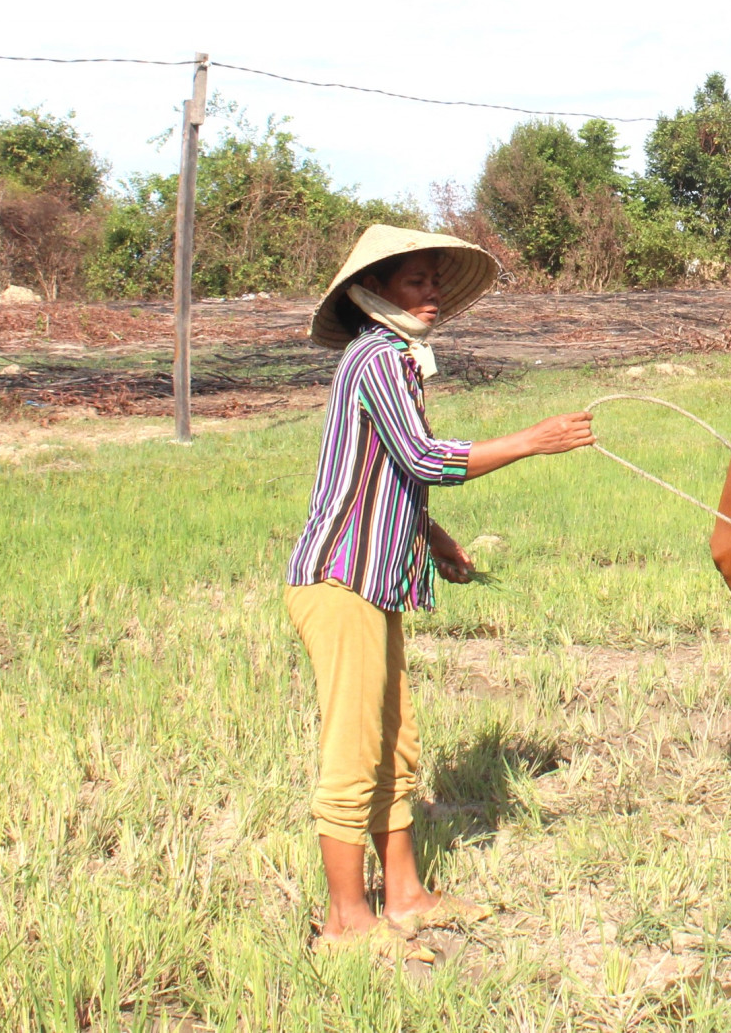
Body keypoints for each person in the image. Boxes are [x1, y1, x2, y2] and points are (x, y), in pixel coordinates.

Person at [284, 224, 595, 949]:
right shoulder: (378, 358)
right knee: (354, 745)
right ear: (374, 293)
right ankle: (344, 918)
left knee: (395, 740)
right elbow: (422, 457)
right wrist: (531, 440)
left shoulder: (396, 361)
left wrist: (432, 536)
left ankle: (405, 894)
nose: (430, 296)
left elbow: (391, 470)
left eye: (433, 283)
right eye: (415, 283)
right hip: (341, 578)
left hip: (375, 577)